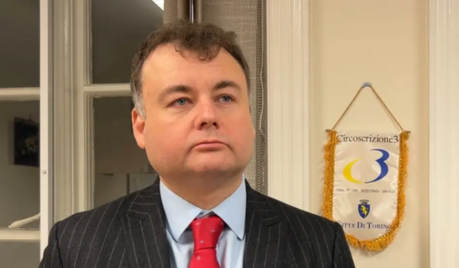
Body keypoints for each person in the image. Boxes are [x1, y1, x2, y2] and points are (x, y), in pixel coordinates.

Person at [38, 21, 355, 268]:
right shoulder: (76, 245)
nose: (208, 115)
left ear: (250, 116)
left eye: (225, 97)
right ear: (141, 126)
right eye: (181, 100)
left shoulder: (321, 245)